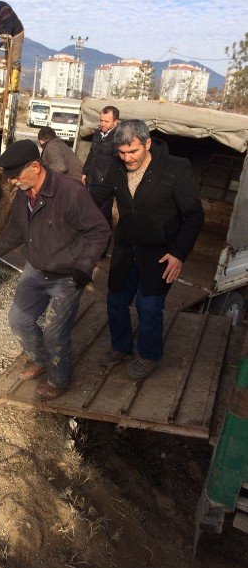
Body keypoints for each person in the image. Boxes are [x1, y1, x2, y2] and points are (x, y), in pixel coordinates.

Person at [0, 140, 110, 400]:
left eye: (17, 177)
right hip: (36, 268)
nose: (14, 183)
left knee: (55, 332)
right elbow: (16, 230)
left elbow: (99, 230)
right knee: (19, 320)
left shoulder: (71, 192)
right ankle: (40, 360)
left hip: (67, 275)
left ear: (35, 167)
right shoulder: (24, 195)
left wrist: (84, 267)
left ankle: (59, 380)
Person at [90, 120, 204, 380]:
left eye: (133, 152)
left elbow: (194, 215)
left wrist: (178, 253)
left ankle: (149, 355)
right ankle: (120, 347)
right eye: (122, 152)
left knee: (148, 306)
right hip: (125, 250)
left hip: (160, 254)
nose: (127, 158)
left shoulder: (175, 168)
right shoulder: (118, 167)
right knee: (115, 301)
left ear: (147, 144)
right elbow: (98, 195)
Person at [81, 106, 120, 232]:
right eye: (101, 120)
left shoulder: (118, 138)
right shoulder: (98, 133)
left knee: (103, 217)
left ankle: (103, 244)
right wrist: (85, 172)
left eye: (106, 121)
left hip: (105, 184)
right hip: (91, 180)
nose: (102, 124)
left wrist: (107, 181)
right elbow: (92, 154)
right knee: (88, 212)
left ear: (115, 122)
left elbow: (116, 163)